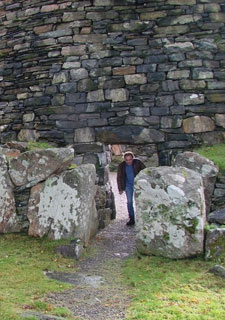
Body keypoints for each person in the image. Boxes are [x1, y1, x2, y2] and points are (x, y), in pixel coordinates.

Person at [117, 151, 146, 226]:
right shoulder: (122, 166)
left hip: (138, 184)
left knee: (140, 201)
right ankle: (132, 218)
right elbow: (119, 177)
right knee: (129, 202)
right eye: (126, 160)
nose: (128, 161)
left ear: (132, 158)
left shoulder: (138, 163)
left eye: (130, 159)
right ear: (124, 160)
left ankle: (142, 217)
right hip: (128, 185)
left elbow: (145, 171)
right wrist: (120, 188)